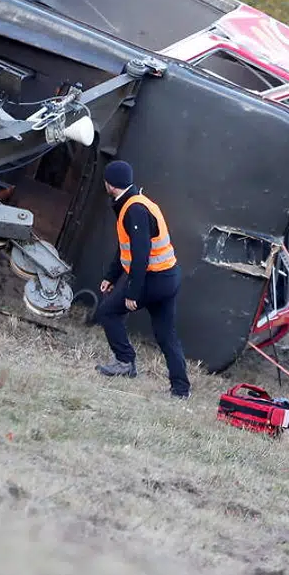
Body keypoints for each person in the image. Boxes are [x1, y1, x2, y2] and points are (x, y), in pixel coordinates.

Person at [94, 159, 191, 398]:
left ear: (110, 184)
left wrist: (132, 293)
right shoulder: (134, 202)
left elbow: (140, 255)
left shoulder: (134, 209)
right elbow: (125, 248)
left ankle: (125, 362)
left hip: (154, 279)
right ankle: (180, 389)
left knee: (108, 312)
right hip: (168, 276)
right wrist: (111, 276)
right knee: (166, 334)